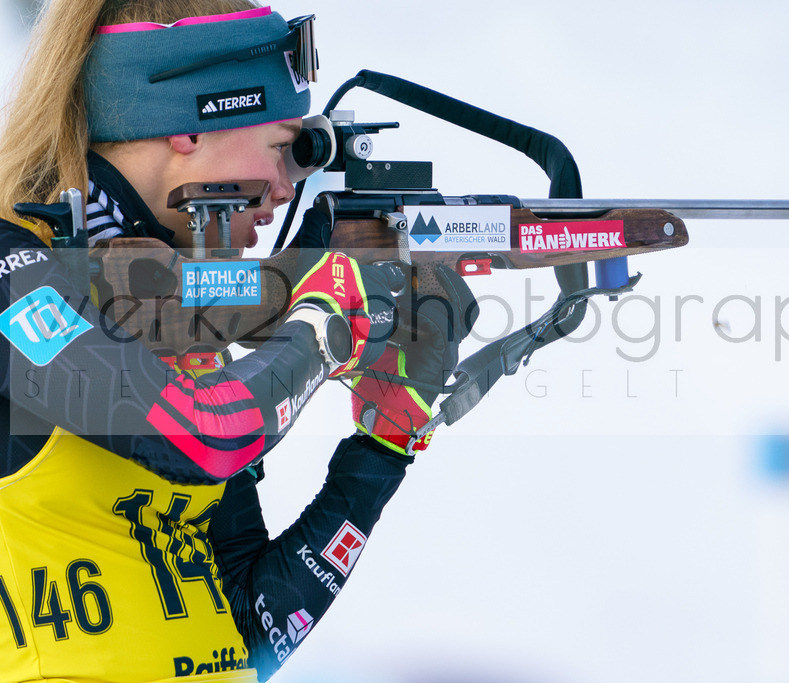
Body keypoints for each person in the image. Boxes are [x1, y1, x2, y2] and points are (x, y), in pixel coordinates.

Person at [0, 0, 474, 681]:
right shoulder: (16, 267)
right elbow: (205, 435)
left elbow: (251, 629)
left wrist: (384, 444)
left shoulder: (174, 301)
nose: (287, 187)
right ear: (191, 124)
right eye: (285, 148)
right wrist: (323, 323)